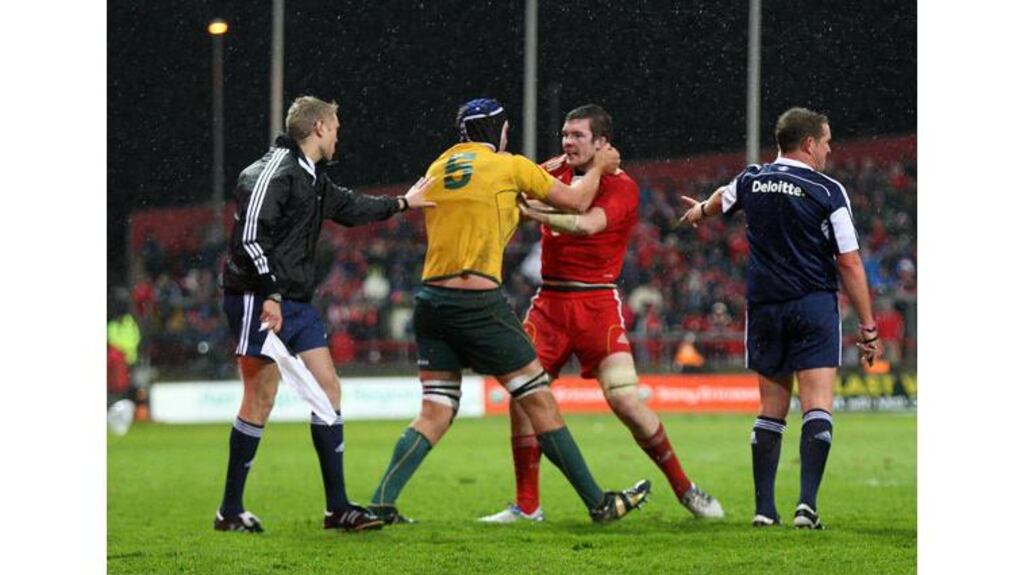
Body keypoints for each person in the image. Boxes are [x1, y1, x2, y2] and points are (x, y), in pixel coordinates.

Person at [366, 98, 651, 525]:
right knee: (540, 401)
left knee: (436, 410)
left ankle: (380, 503)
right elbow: (575, 203)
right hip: (477, 302)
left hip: (430, 302)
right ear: (498, 131)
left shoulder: (439, 166)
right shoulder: (508, 166)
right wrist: (598, 167)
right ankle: (598, 502)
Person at [478, 105, 723, 523]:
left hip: (596, 304)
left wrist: (532, 212)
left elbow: (587, 224)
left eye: (577, 135)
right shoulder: (553, 169)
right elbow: (514, 191)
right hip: (550, 304)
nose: (567, 142)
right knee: (523, 396)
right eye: (564, 134)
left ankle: (685, 488)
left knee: (626, 400)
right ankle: (527, 506)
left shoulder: (623, 186)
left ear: (602, 143)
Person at [214, 95, 435, 533]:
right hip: (257, 299)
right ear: (318, 128)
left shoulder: (313, 178)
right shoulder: (272, 172)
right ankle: (230, 511)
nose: (338, 136)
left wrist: (403, 203)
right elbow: (249, 241)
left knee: (329, 391)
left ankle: (337, 508)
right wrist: (271, 294)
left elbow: (351, 208)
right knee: (260, 397)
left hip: (294, 301)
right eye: (335, 127)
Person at [678, 107, 881, 529]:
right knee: (816, 406)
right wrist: (868, 325)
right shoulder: (827, 190)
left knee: (771, 410)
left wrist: (699, 210)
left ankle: (764, 510)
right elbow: (850, 261)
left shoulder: (752, 178)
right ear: (808, 143)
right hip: (812, 304)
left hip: (766, 308)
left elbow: (722, 197)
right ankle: (806, 506)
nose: (828, 149)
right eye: (825, 141)